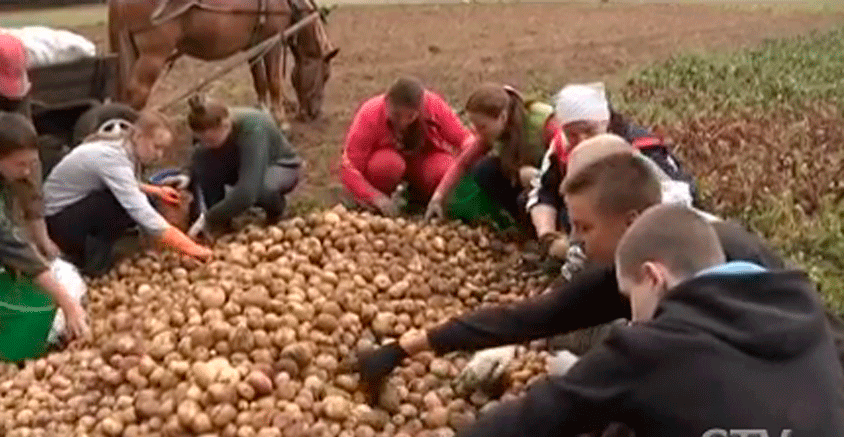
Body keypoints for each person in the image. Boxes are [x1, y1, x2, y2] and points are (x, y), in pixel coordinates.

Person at [371, 203, 844, 437]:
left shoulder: (652, 346)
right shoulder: (803, 307)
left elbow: (528, 418)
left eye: (628, 296)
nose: (632, 314)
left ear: (653, 276)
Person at [356, 134, 844, 399]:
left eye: (585, 228)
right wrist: (405, 347)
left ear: (628, 218)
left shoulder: (721, 261)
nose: (577, 241)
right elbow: (534, 316)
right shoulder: (650, 249)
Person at [530, 82, 697, 270]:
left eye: (590, 131)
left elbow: (679, 195)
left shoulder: (640, 148)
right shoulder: (560, 147)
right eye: (573, 135)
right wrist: (548, 237)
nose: (582, 141)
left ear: (606, 123)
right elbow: (544, 191)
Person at [0, 112, 88, 339]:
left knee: (14, 261)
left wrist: (43, 241)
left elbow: (32, 196)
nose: (27, 170)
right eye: (20, 164)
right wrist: (67, 304)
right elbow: (6, 241)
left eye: (32, 162)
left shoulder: (20, 158)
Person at [44, 110, 212, 277]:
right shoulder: (112, 158)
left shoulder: (123, 146)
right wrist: (192, 248)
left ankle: (96, 253)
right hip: (57, 222)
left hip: (71, 209)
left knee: (131, 200)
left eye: (163, 149)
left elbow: (123, 182)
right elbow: (143, 214)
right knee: (117, 205)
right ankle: (89, 262)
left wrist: (156, 190)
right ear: (139, 136)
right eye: (156, 147)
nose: (159, 155)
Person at [424, 83, 553, 230]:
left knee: (525, 197)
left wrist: (541, 177)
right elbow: (462, 163)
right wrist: (438, 197)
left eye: (482, 126)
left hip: (555, 185)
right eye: (474, 126)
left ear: (503, 117)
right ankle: (521, 224)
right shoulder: (491, 133)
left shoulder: (543, 124)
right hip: (530, 187)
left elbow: (568, 157)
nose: (477, 132)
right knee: (484, 169)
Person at [339, 77, 473, 216]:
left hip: (423, 161)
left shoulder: (433, 106)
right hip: (388, 162)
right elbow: (349, 166)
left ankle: (420, 198)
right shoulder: (370, 113)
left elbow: (464, 139)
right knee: (387, 166)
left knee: (444, 170)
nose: (402, 122)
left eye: (410, 116)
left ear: (421, 107)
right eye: (396, 115)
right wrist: (375, 197)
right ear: (386, 103)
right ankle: (377, 204)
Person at [185, 94, 301, 237]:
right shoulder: (207, 126)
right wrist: (187, 178)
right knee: (203, 160)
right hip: (240, 163)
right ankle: (223, 226)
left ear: (226, 125)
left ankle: (276, 211)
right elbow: (197, 162)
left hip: (280, 166)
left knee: (259, 189)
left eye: (209, 141)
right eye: (201, 140)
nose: (205, 145)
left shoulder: (254, 128)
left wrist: (209, 218)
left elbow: (247, 193)